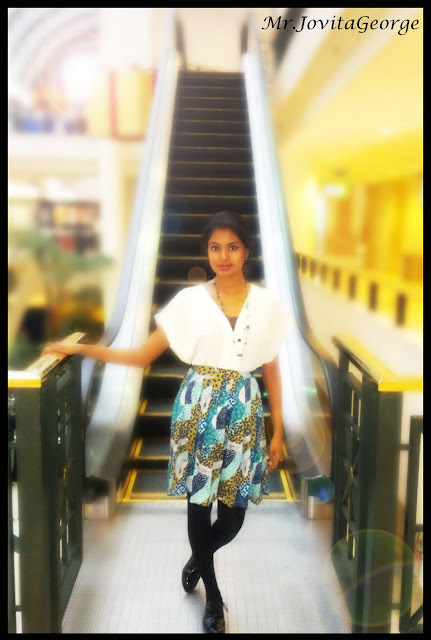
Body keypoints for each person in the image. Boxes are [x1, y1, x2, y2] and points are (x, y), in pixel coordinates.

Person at [43, 210, 292, 634]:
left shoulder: (268, 305)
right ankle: (213, 598)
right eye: (215, 247)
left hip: (244, 413)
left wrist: (279, 430)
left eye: (232, 247)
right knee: (199, 505)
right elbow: (142, 355)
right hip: (199, 410)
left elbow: (270, 367)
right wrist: (82, 350)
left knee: (233, 517)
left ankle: (198, 556)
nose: (223, 256)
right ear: (207, 252)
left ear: (246, 251)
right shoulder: (189, 302)